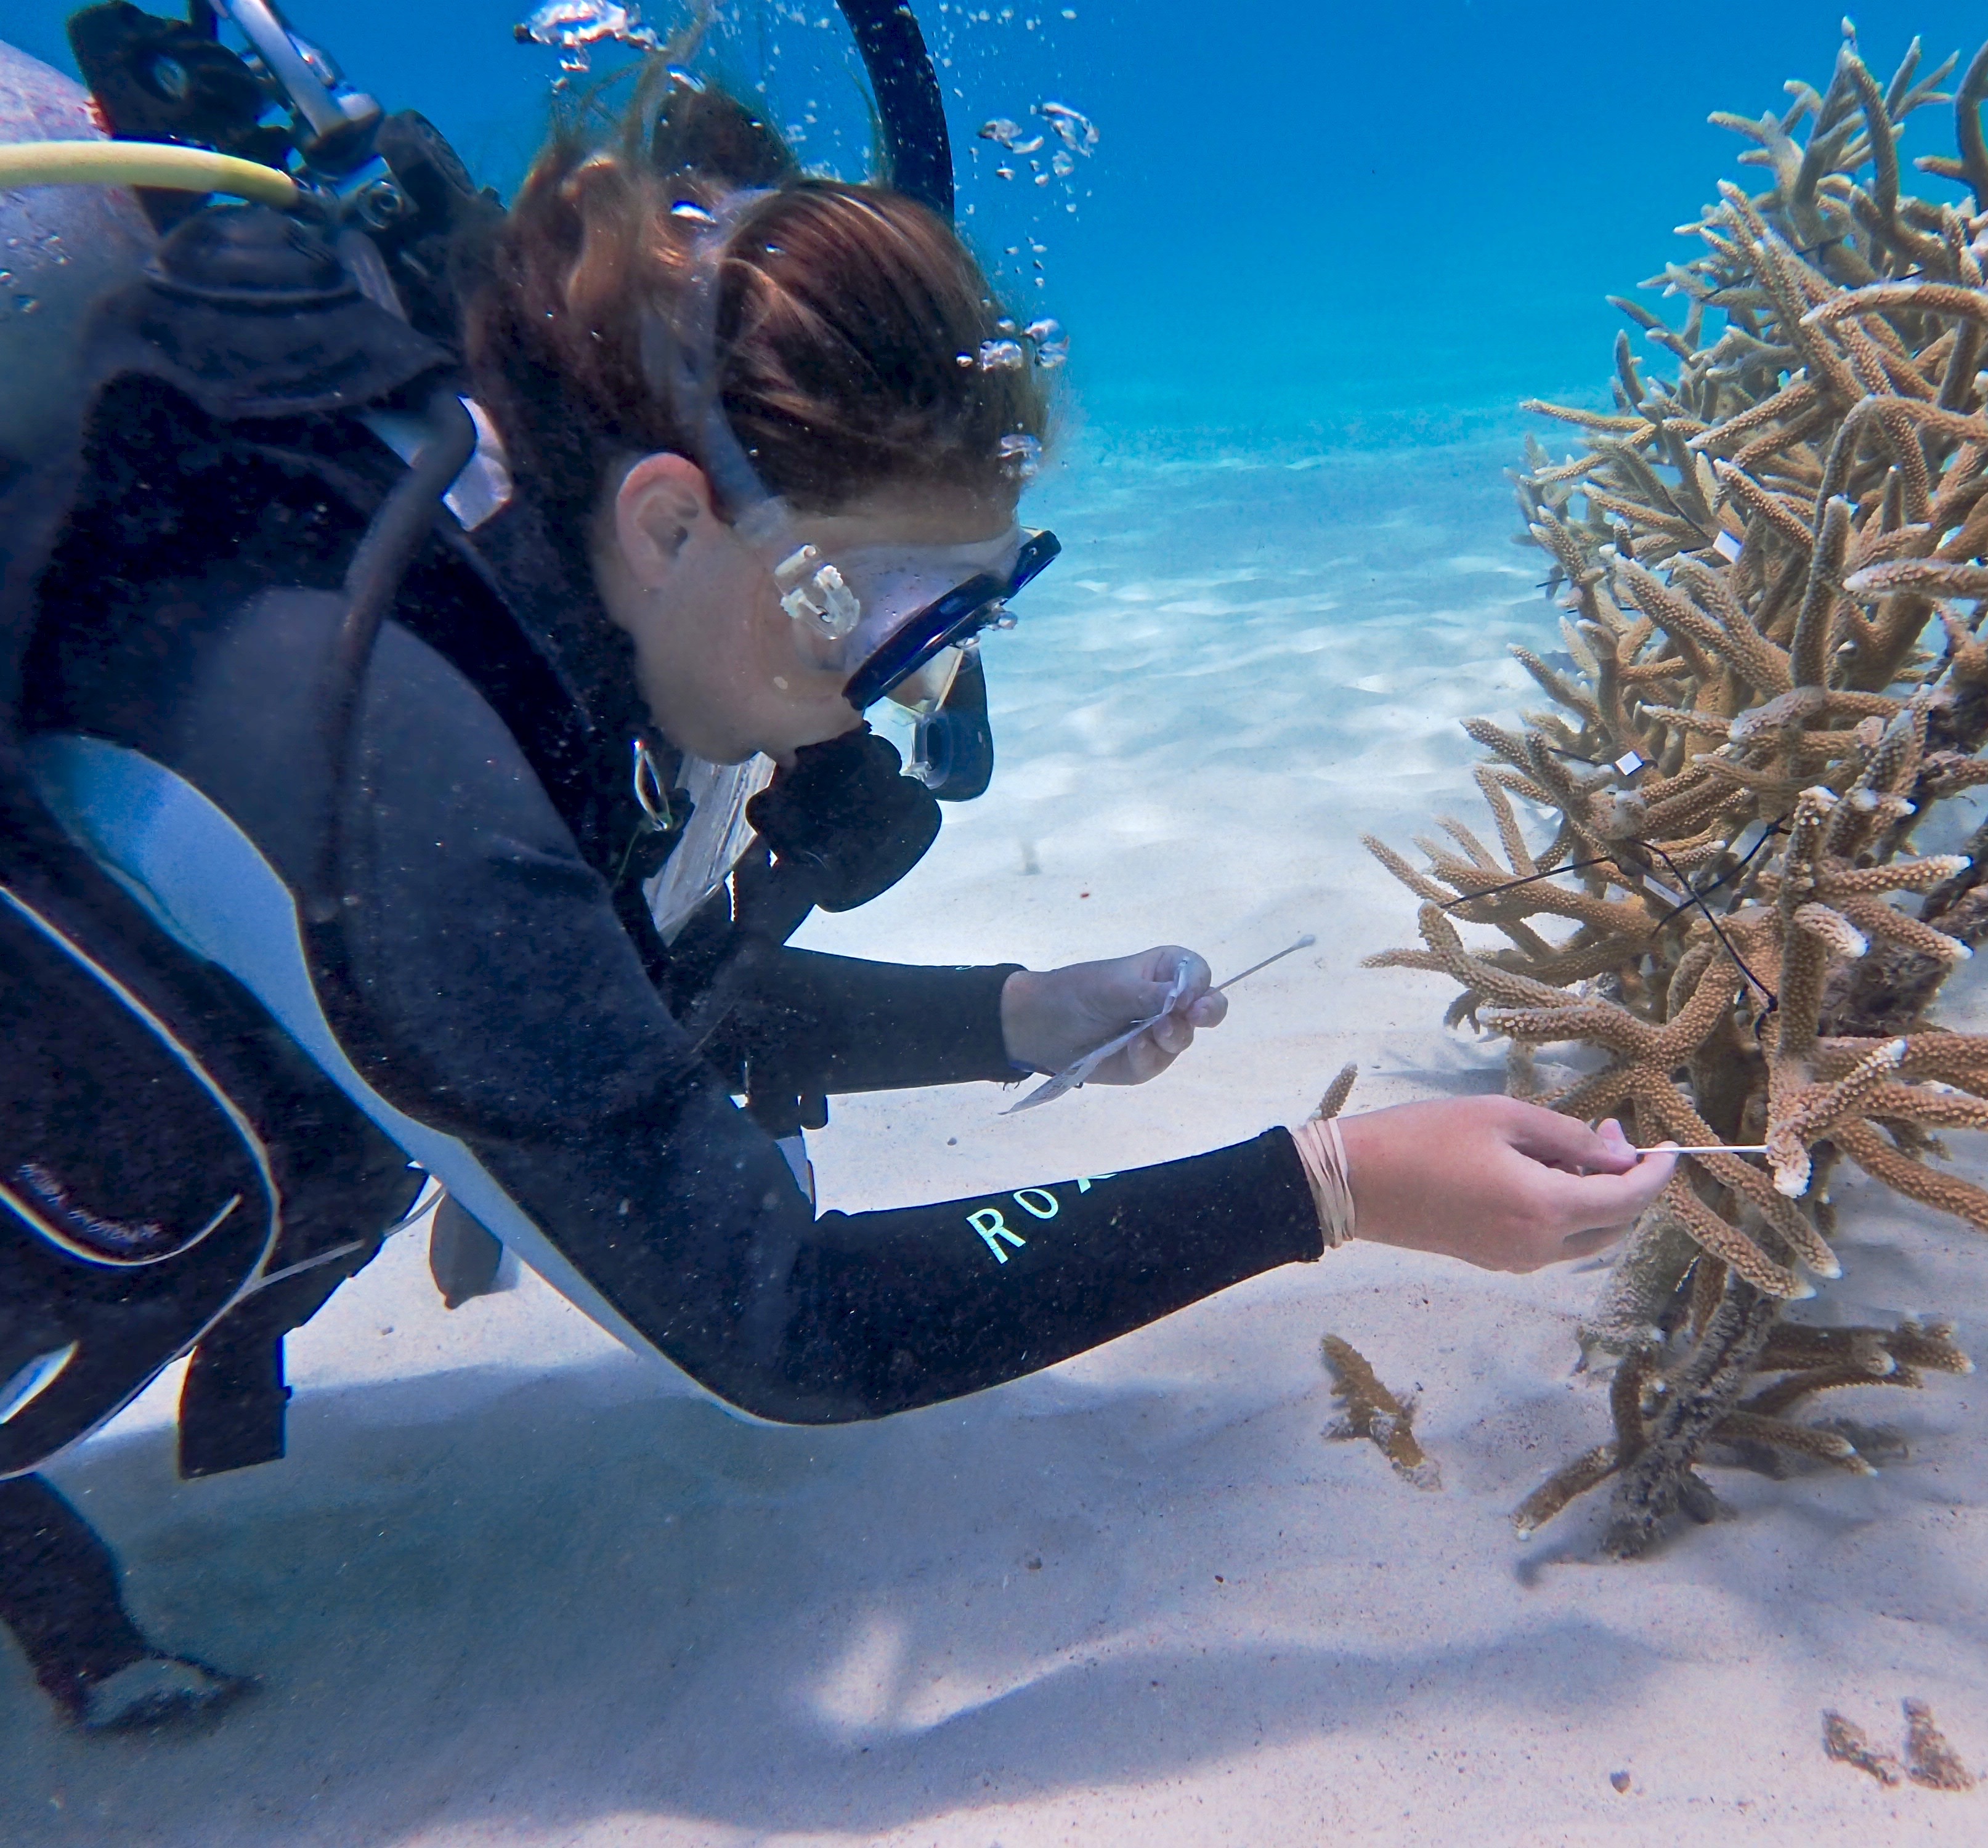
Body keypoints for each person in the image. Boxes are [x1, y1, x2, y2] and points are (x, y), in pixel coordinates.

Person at [3, 50, 1675, 1730]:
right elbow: (787, 1325)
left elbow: (609, 1008)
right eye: (888, 609)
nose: (891, 685)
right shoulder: (386, 756)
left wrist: (1017, 1016)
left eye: (967, 613)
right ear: (670, 528)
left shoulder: (528, 599)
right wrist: (1329, 1184)